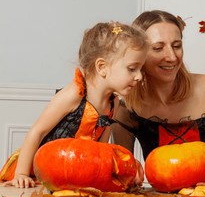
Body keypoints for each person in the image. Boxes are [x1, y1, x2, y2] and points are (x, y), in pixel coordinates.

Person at [111, 10, 205, 182]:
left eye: (176, 46)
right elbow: (122, 167)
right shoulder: (127, 104)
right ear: (138, 53)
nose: (171, 57)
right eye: (158, 48)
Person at [3, 21, 148, 188]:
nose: (139, 76)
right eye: (132, 69)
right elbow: (37, 132)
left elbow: (99, 151)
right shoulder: (74, 94)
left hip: (71, 176)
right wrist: (21, 173)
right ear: (102, 67)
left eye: (140, 69)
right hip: (39, 172)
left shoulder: (113, 103)